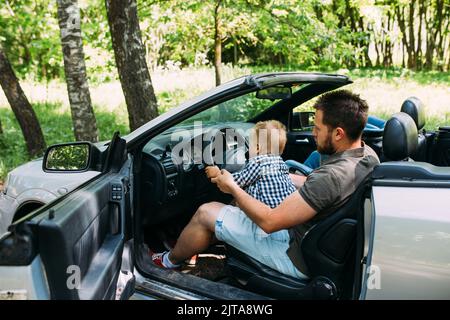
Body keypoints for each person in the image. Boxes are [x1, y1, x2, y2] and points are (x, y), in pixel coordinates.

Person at [151, 90, 380, 279]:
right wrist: (280, 176)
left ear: (338, 133)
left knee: (206, 212)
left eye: (317, 129)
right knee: (235, 206)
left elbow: (270, 222)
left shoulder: (330, 177)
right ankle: (194, 244)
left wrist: (232, 186)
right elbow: (320, 189)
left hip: (294, 254)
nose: (313, 133)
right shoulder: (366, 157)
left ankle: (167, 261)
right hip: (318, 246)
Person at [152, 120, 297, 268]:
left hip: (266, 229)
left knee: (205, 211)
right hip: (284, 221)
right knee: (234, 203)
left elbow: (233, 183)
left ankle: (168, 261)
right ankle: (191, 243)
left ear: (258, 149)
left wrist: (217, 172)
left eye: (251, 145)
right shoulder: (281, 164)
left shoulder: (257, 163)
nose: (248, 150)